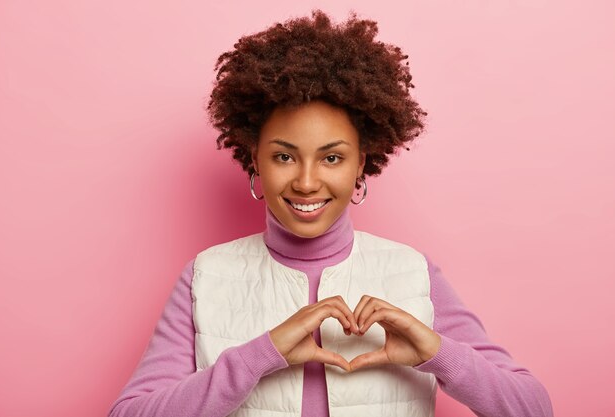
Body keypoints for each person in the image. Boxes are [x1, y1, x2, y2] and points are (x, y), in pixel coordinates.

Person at [107, 9, 553, 417]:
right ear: (254, 158)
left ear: (362, 162)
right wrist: (259, 355)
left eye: (332, 158)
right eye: (284, 157)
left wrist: (438, 353)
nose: (305, 181)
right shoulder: (206, 276)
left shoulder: (412, 272)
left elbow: (533, 409)